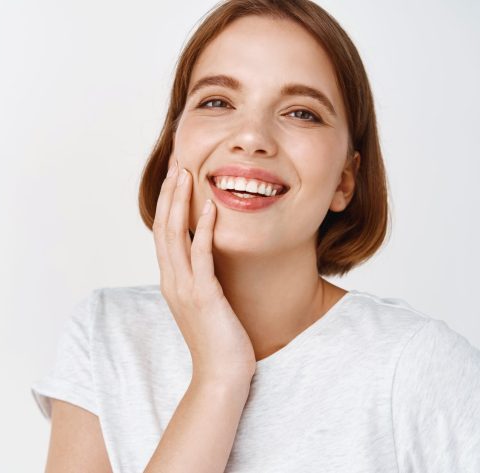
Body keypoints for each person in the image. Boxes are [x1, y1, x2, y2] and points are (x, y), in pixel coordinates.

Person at [31, 1, 480, 471]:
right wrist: (218, 378)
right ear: (174, 145)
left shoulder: (419, 366)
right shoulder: (108, 335)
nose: (251, 137)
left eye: (301, 113)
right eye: (217, 102)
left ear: (345, 180)